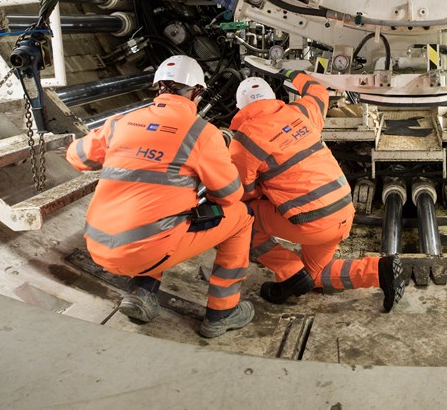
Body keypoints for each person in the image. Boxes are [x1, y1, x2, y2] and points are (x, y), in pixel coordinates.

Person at [66, 55, 254, 338]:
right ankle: (222, 312)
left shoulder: (122, 122)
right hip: (144, 250)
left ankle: (142, 290)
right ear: (197, 91)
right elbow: (230, 195)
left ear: (158, 88)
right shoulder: (202, 134)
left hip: (97, 243)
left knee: (158, 210)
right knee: (241, 217)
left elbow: (76, 158)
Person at [229, 70, 407, 312]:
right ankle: (379, 270)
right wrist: (293, 73)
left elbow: (241, 193)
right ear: (272, 97)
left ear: (241, 108)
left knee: (241, 217)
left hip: (312, 223)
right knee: (312, 276)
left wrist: (264, 187)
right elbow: (318, 91)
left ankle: (288, 271)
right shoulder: (301, 112)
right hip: (343, 212)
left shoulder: (245, 139)